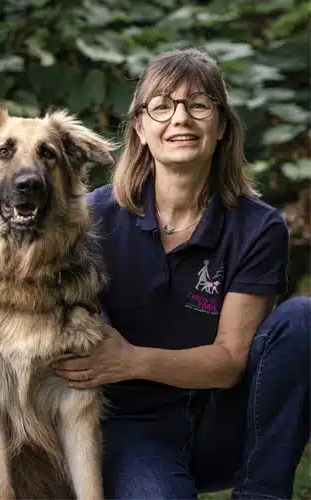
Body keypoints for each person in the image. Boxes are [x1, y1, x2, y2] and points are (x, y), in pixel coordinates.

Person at [51, 48, 310, 499]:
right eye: (162, 106)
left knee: (304, 319)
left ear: (222, 125)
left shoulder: (258, 226)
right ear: (141, 127)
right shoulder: (92, 217)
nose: (181, 119)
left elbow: (230, 362)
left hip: (223, 421)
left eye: (199, 105)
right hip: (133, 428)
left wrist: (131, 359)